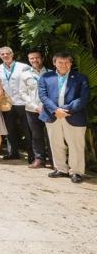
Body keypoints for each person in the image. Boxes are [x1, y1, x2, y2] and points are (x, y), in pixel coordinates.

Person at [39, 52, 90, 184]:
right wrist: (55, 110)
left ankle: (76, 171)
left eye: (67, 62)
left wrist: (66, 110)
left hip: (74, 115)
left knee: (76, 145)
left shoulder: (81, 78)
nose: (63, 65)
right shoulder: (45, 77)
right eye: (60, 62)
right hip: (52, 115)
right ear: (54, 63)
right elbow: (43, 96)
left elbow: (84, 97)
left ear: (71, 63)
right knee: (56, 143)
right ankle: (61, 169)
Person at [0, 46, 32, 161]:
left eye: (7, 53)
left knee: (27, 130)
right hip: (7, 104)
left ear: (12, 54)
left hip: (23, 103)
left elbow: (30, 84)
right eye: (2, 54)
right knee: (10, 129)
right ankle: (13, 153)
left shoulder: (24, 67)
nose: (5, 56)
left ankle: (32, 155)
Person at [18, 49, 51, 168]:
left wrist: (45, 106)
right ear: (29, 60)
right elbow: (22, 93)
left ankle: (55, 161)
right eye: (31, 58)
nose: (34, 60)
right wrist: (35, 106)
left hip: (49, 110)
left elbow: (54, 92)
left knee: (51, 136)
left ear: (42, 58)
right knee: (36, 135)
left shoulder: (51, 73)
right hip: (32, 110)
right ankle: (39, 159)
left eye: (37, 57)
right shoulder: (25, 75)